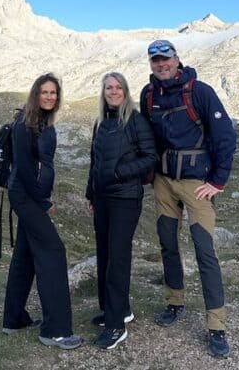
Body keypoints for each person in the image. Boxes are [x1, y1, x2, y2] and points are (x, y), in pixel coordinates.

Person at [139, 40, 237, 359]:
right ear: (151, 63)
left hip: (197, 184)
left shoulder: (200, 91)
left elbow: (225, 135)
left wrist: (218, 181)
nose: (161, 64)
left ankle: (216, 326)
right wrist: (149, 173)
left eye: (166, 59)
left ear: (177, 59)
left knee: (204, 251)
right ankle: (174, 302)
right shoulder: (148, 94)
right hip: (164, 182)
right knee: (167, 243)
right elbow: (148, 138)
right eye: (156, 60)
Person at [1, 73, 83, 350]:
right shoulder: (25, 124)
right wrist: (42, 202)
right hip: (26, 197)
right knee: (53, 251)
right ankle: (55, 331)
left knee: (25, 255)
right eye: (44, 92)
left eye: (54, 93)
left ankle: (14, 319)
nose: (50, 97)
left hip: (30, 196)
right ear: (35, 94)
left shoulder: (42, 121)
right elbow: (24, 169)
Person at [85, 72, 158, 350]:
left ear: (125, 91)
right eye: (108, 88)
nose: (113, 92)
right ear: (103, 92)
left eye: (118, 88)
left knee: (117, 258)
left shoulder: (135, 120)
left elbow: (150, 158)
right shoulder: (101, 123)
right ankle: (117, 310)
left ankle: (117, 328)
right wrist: (90, 192)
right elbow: (95, 159)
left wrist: (118, 173)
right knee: (104, 254)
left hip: (125, 199)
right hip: (102, 199)